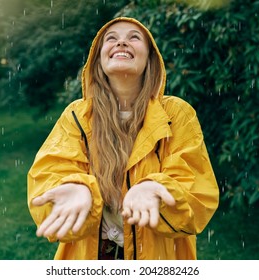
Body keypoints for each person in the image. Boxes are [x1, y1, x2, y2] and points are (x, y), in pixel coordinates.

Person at [27, 17, 219, 260]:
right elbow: (50, 172)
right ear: (99, 60)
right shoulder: (77, 116)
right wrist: (74, 187)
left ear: (150, 58)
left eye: (134, 37)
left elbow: (198, 192)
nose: (122, 43)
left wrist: (157, 189)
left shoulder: (176, 113)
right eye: (112, 38)